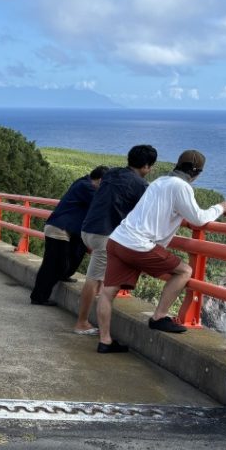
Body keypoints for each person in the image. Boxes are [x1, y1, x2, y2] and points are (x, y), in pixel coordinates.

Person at [95, 150, 226, 354]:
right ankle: (159, 316)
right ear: (196, 172)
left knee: (107, 293)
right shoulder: (182, 187)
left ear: (177, 165)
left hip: (118, 239)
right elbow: (199, 218)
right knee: (184, 271)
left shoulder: (160, 181)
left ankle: (105, 341)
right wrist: (220, 207)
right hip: (138, 244)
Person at [75, 144, 157, 335]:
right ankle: (81, 323)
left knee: (104, 277)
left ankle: (94, 321)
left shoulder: (111, 173)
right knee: (93, 279)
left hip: (87, 229)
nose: (150, 170)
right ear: (146, 166)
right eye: (150, 166)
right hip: (104, 234)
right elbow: (149, 213)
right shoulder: (140, 185)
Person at [30, 165, 108, 308]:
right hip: (59, 229)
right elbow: (101, 205)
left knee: (67, 257)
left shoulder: (82, 182)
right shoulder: (87, 188)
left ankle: (60, 277)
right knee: (52, 265)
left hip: (62, 228)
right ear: (101, 180)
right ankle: (39, 297)